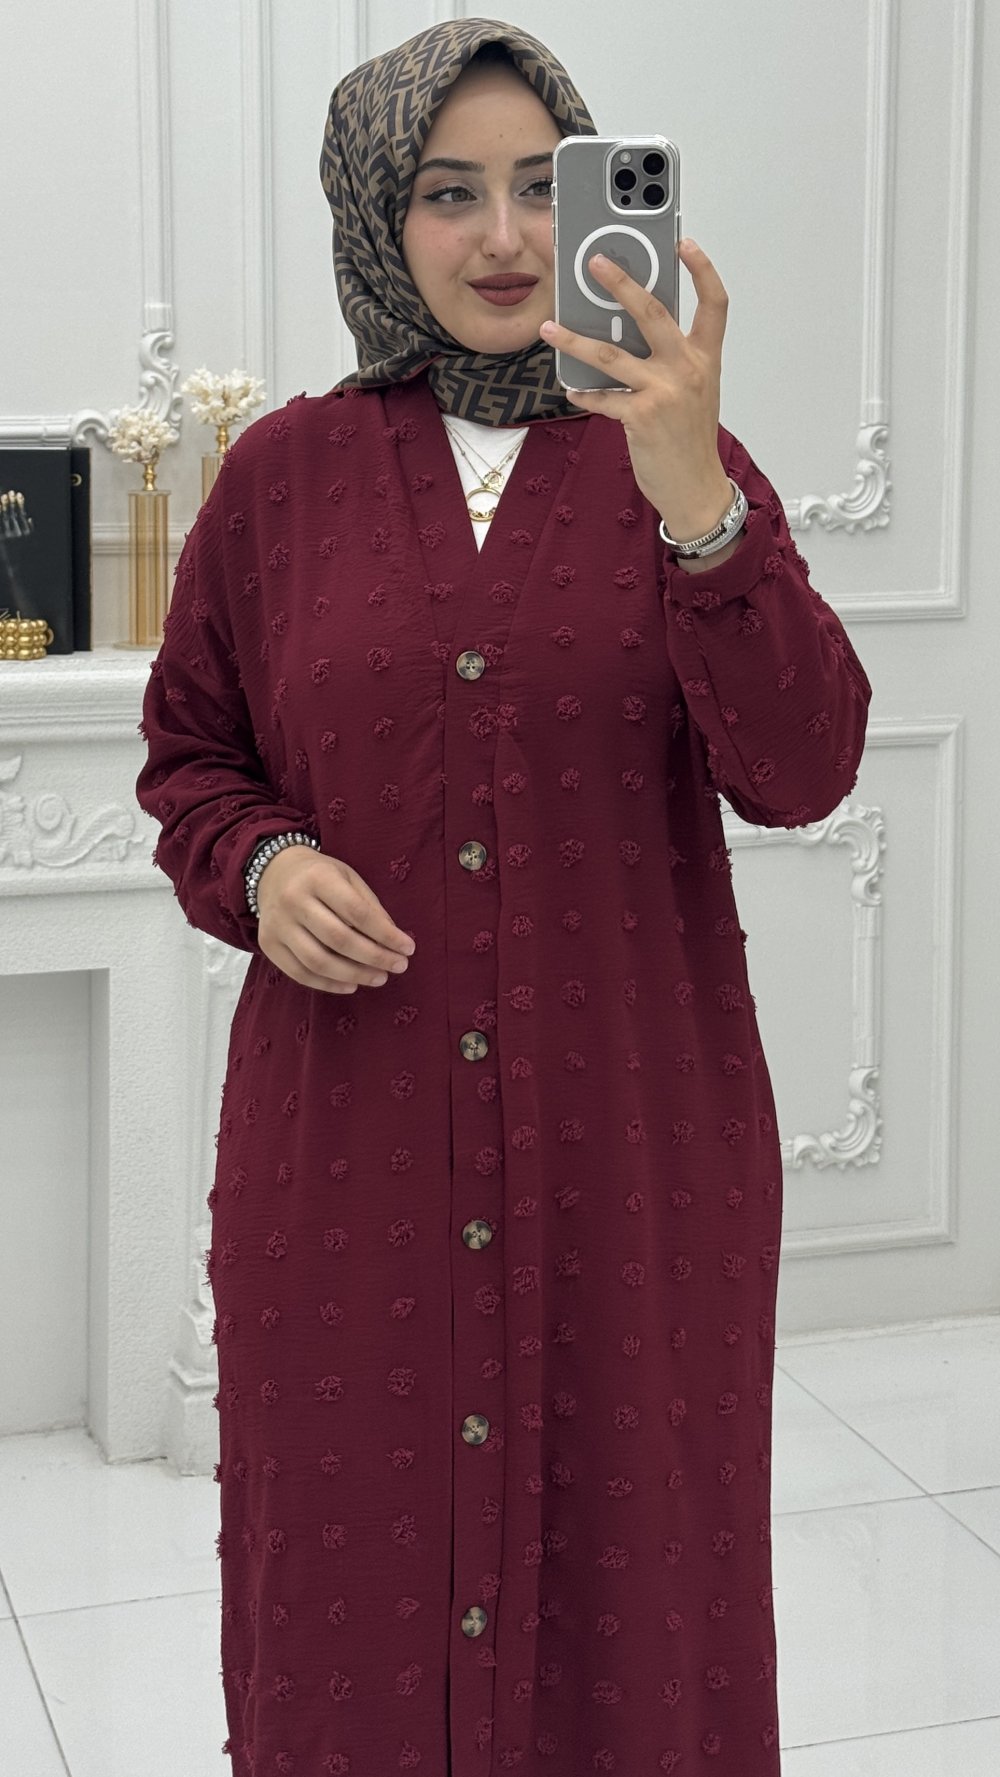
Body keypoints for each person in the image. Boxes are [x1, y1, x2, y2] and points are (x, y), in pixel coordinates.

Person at [136, 16, 871, 1776]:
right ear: (377, 217)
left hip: (630, 1160)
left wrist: (698, 505)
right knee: (347, 1591)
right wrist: (263, 862)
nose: (506, 238)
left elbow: (806, 766)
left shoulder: (679, 457)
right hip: (347, 1166)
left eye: (545, 187)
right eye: (449, 193)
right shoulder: (278, 482)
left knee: (639, 1592)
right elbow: (188, 763)